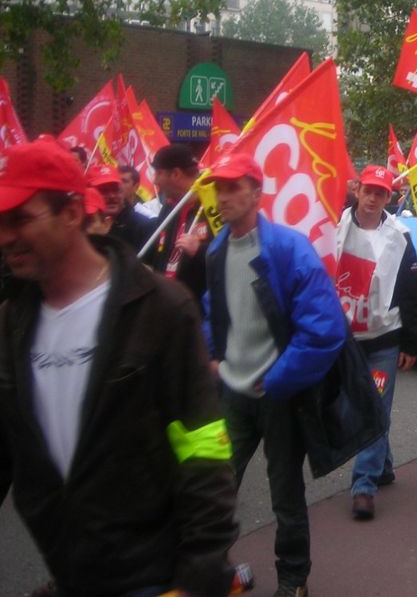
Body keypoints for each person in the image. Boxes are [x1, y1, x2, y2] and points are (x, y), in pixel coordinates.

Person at [0, 138, 238, 595]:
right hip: (69, 573)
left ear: (71, 213)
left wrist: (199, 574)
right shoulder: (10, 324)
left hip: (151, 578)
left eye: (20, 219)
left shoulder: (161, 309)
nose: (5, 235)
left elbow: (204, 448)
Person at [204, 151, 347, 597]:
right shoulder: (216, 248)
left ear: (256, 191)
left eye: (232, 187)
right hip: (232, 394)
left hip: (278, 396)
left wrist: (278, 379)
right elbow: (214, 311)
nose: (222, 196)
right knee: (214, 486)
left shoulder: (288, 248)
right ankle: (215, 571)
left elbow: (325, 329)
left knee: (285, 494)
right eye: (218, 187)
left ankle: (293, 580)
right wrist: (212, 354)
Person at [335, 164, 417, 521]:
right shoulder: (334, 226)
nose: (373, 198)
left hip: (384, 341)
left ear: (391, 197)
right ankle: (383, 465)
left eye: (381, 193)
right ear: (357, 190)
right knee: (349, 409)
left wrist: (412, 344)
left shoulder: (399, 236)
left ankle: (364, 486)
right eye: (368, 190)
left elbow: (411, 293)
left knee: (376, 406)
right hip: (344, 340)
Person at [148, 144, 211, 302]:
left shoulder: (211, 207)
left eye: (159, 173)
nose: (154, 180)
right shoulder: (168, 209)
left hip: (197, 312)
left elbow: (229, 256)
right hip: (166, 307)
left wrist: (200, 251)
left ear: (175, 174)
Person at [87, 163, 157, 250]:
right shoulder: (78, 224)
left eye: (115, 189)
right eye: (104, 190)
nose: (112, 196)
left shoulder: (144, 226)